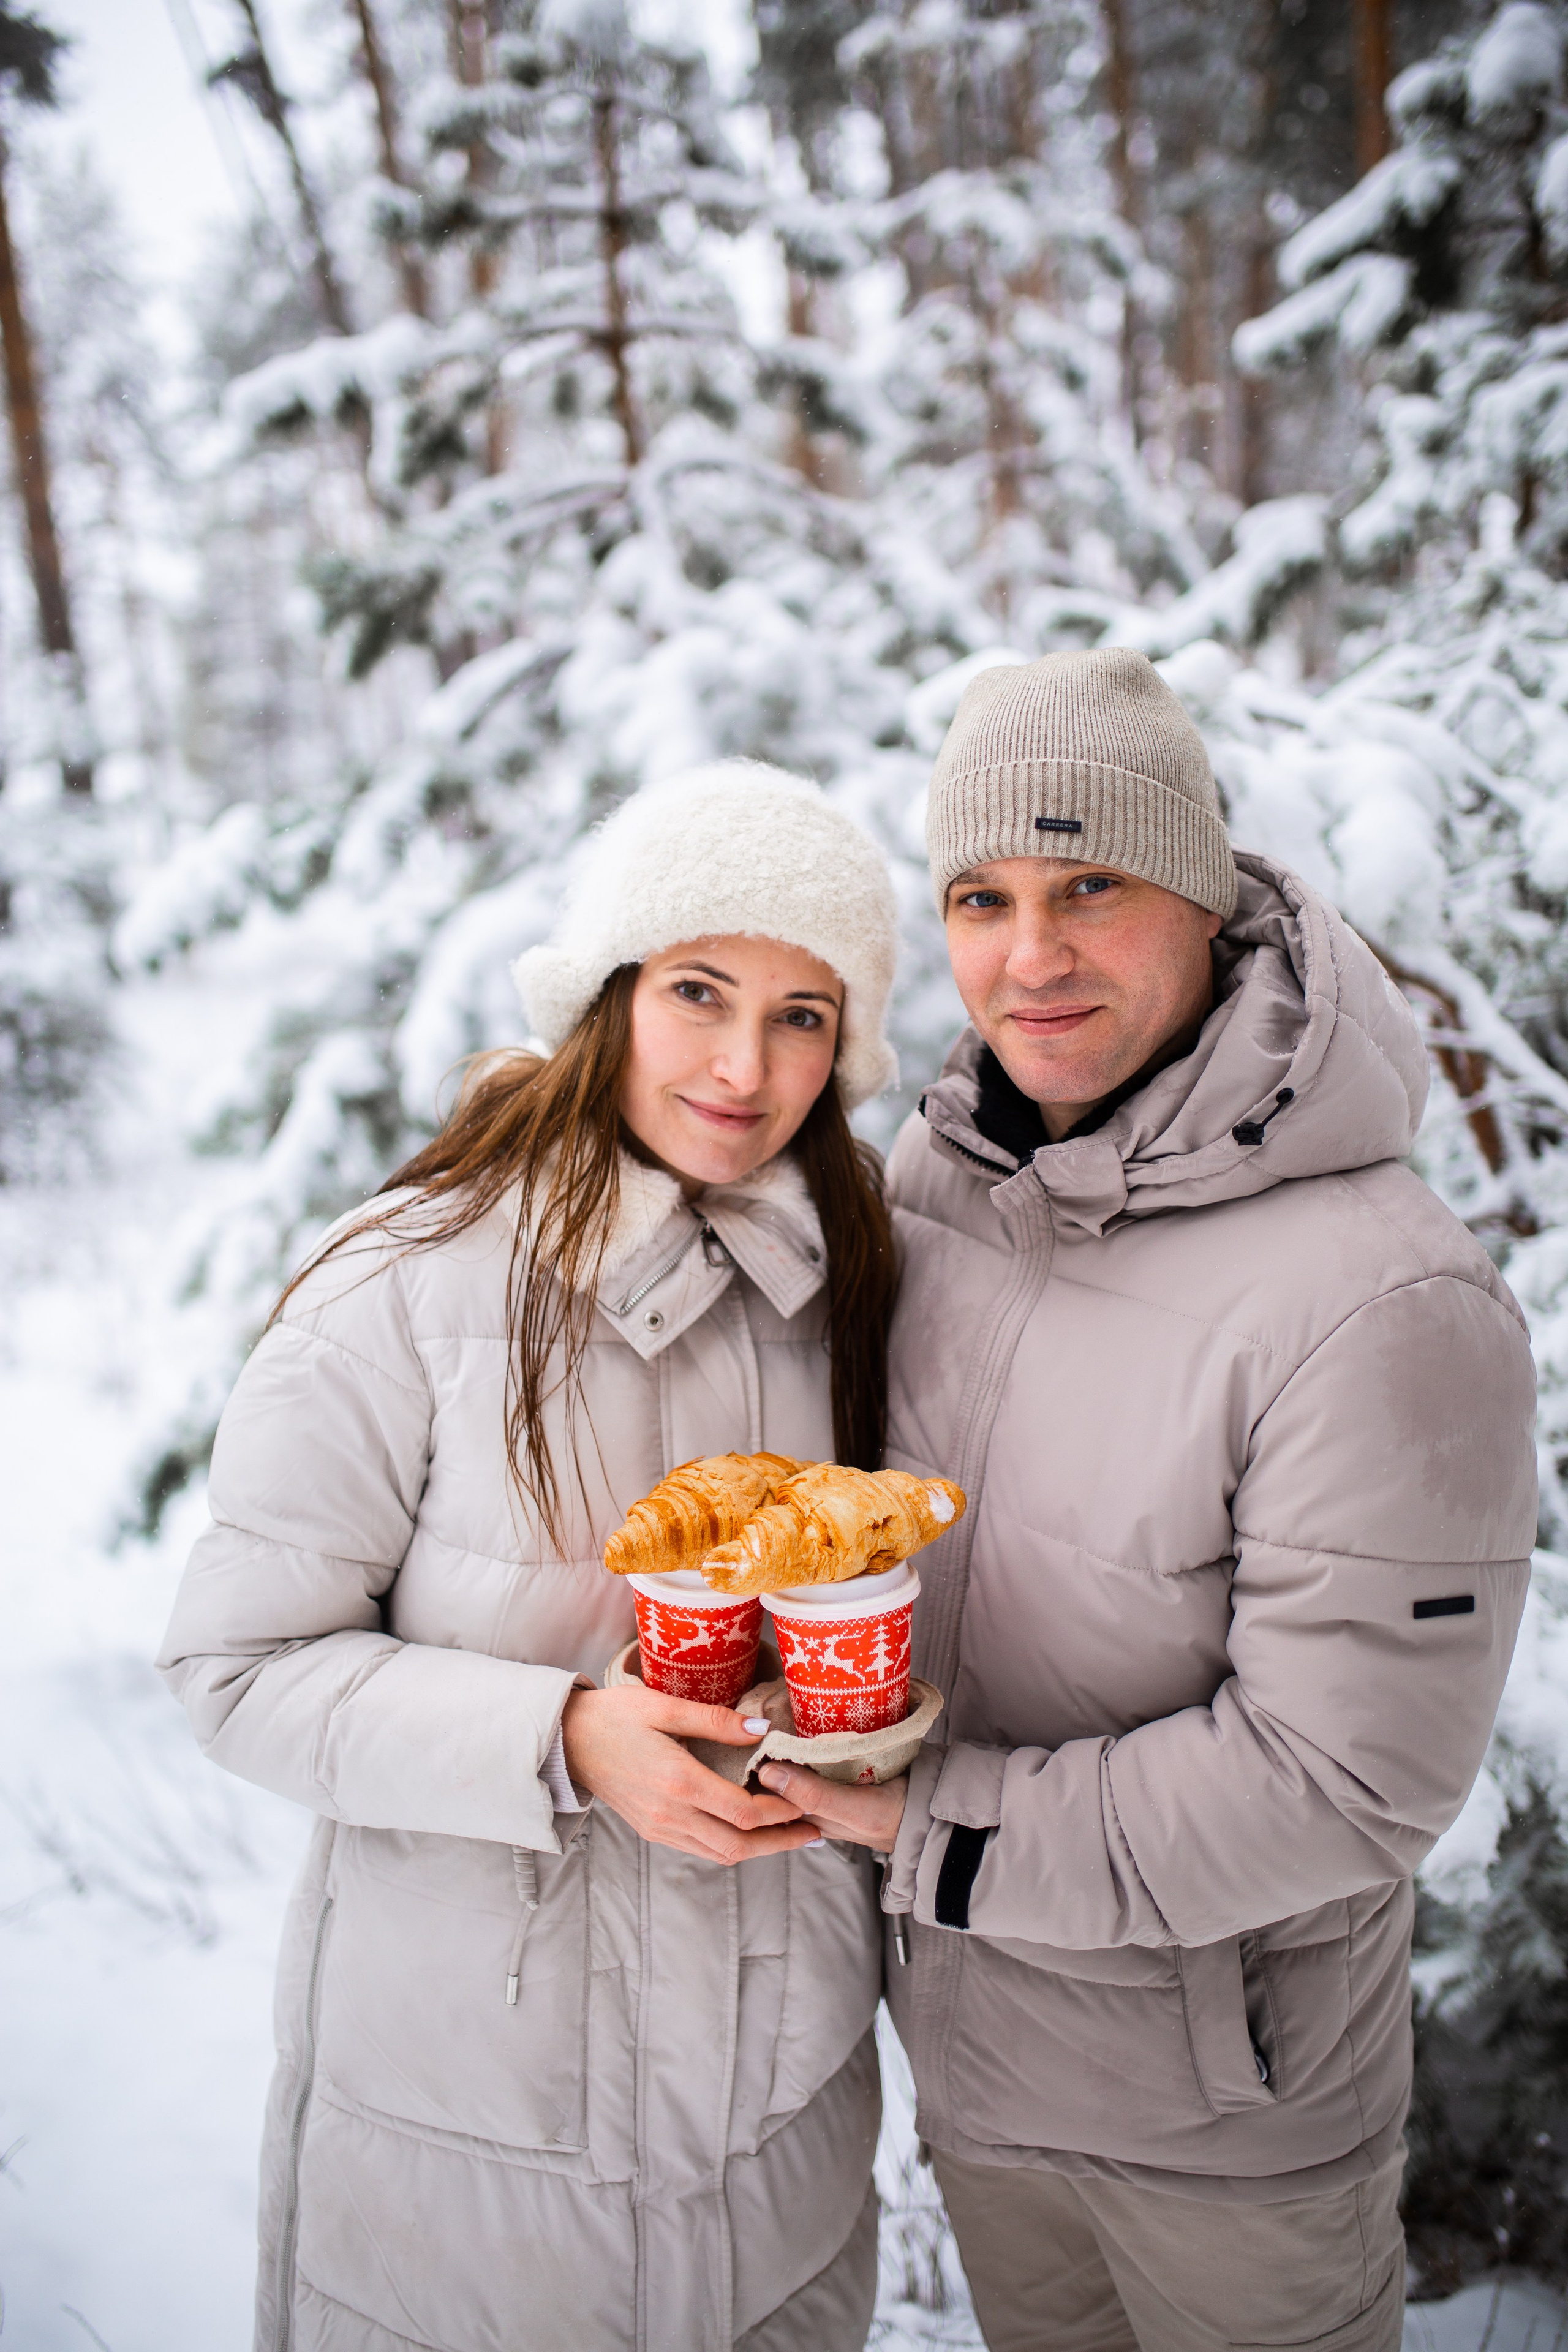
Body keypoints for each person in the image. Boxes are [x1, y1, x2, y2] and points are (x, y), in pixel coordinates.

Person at [757, 649, 1539, 2352]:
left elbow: (1343, 1784)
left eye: (1089, 886)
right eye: (981, 898)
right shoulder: (940, 1185)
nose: (1028, 957)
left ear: (1201, 892)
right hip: (975, 2079)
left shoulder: (1382, 1296)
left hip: (1227, 2141)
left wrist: (937, 1829)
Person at [156, 761, 904, 2352]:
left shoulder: (848, 1284)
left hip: (781, 2147)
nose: (745, 1065)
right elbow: (236, 1669)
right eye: (698, 991)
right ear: (609, 991)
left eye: (803, 1015)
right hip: (475, 2161)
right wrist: (560, 1737)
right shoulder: (409, 1280)